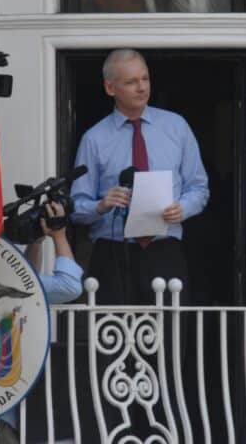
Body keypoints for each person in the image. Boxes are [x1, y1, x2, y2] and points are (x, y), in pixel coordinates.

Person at [70, 48, 210, 305]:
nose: (141, 88)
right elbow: (76, 207)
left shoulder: (176, 127)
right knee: (112, 339)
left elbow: (199, 187)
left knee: (169, 338)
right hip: (112, 251)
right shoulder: (95, 138)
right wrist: (101, 205)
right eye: (131, 82)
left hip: (164, 249)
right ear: (110, 88)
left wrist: (184, 208)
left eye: (144, 79)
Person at [0, 201, 83, 444]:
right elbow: (69, 286)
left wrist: (35, 240)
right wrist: (59, 235)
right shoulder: (0, 276)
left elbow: (26, 282)